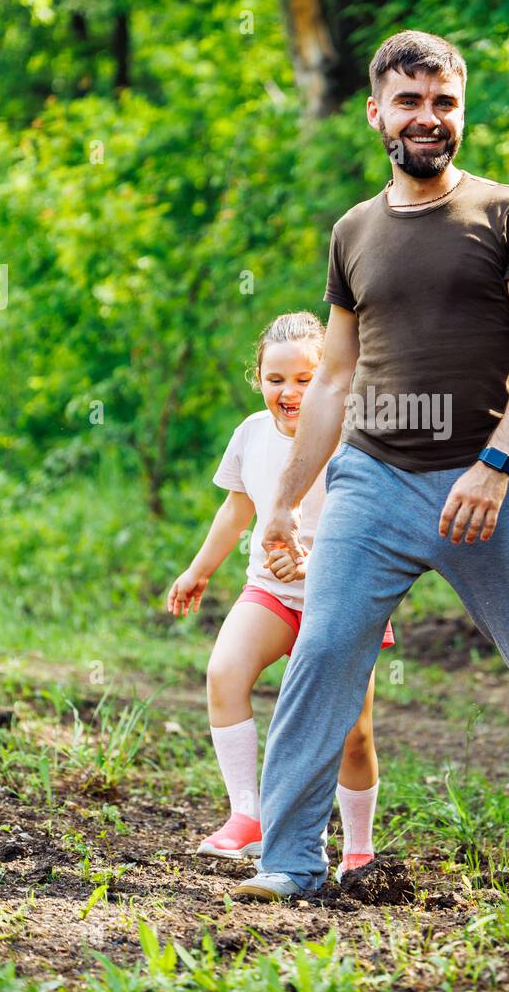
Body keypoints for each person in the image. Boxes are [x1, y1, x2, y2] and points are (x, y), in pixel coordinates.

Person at [233, 29, 509, 902]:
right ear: (376, 111)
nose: (429, 117)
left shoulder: (508, 214)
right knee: (322, 660)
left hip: (486, 484)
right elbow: (337, 379)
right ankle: (291, 862)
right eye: (410, 101)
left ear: (462, 111)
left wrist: (496, 465)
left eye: (445, 102)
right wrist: (282, 503)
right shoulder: (353, 232)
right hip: (371, 481)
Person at [166, 310, 393, 879]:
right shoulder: (250, 434)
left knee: (353, 737)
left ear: (333, 376)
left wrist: (317, 562)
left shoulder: (352, 434)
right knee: (224, 672)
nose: (289, 392)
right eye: (275, 379)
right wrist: (199, 570)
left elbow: (374, 523)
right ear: (258, 378)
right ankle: (249, 814)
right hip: (268, 593)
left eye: (305, 379)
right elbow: (236, 508)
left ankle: (358, 848)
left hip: (341, 600)